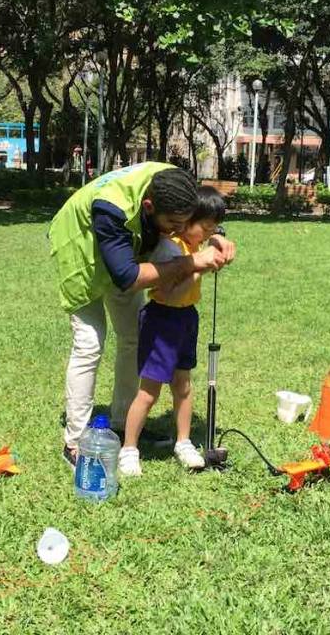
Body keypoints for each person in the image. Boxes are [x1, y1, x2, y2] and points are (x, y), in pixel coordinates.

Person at [48, 162, 236, 469]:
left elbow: (192, 226)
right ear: (149, 207)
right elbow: (127, 277)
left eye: (182, 223)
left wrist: (213, 238)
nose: (176, 231)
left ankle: (123, 423)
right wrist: (191, 263)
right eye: (173, 223)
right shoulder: (112, 209)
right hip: (82, 253)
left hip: (128, 255)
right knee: (90, 344)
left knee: (133, 339)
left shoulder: (174, 184)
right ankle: (75, 440)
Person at [118, 186, 227, 476]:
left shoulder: (195, 245)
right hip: (162, 319)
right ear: (188, 220)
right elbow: (170, 295)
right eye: (205, 227)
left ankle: (183, 442)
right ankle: (129, 449)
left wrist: (214, 244)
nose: (208, 234)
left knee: (183, 385)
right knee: (149, 392)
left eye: (213, 229)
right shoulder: (171, 248)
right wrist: (198, 267)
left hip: (186, 319)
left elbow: (212, 240)